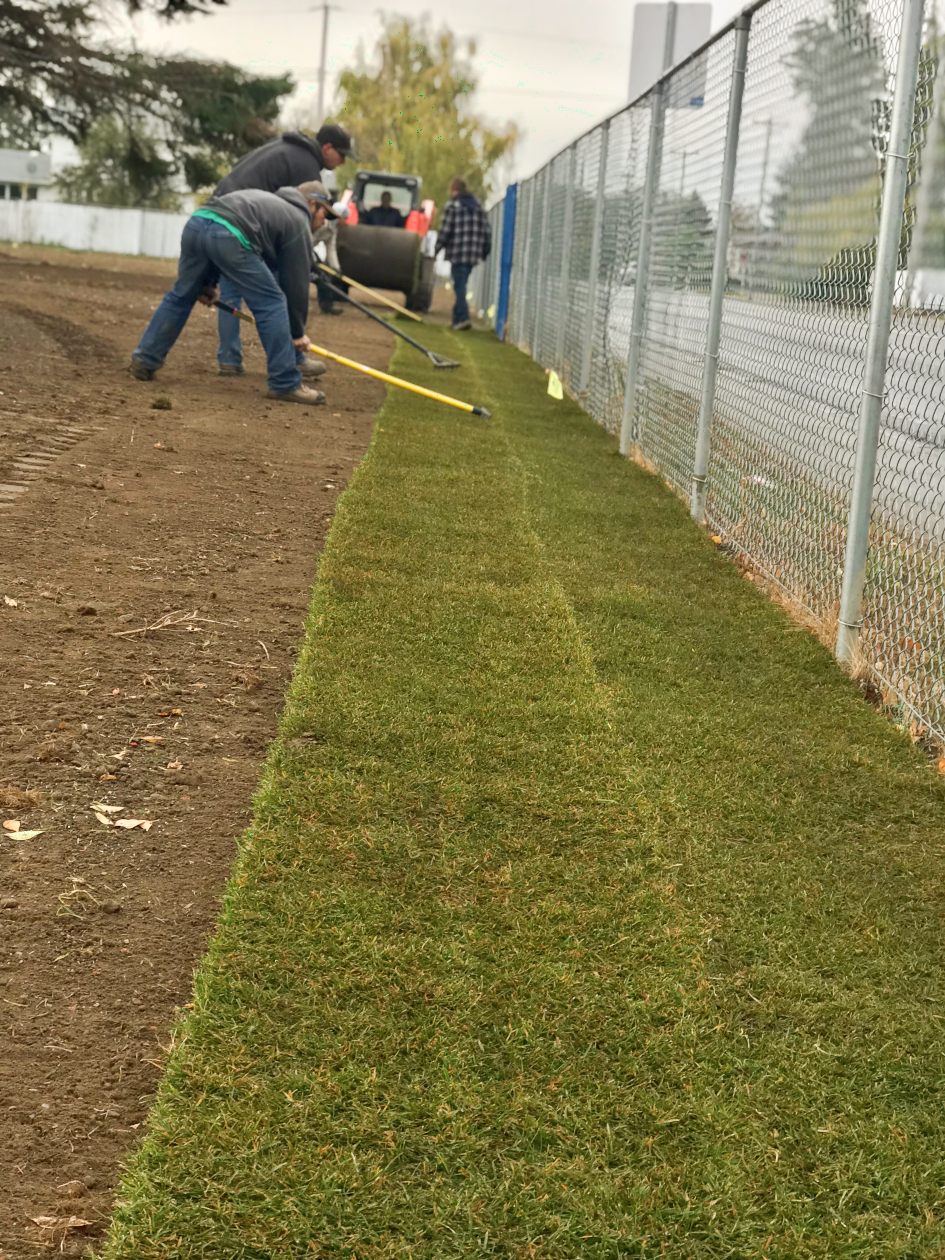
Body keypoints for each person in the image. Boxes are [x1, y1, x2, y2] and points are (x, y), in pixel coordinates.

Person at [130, 181, 338, 407]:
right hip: (228, 233)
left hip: (198, 222)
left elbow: (214, 230)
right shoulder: (298, 220)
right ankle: (285, 382)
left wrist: (206, 284)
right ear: (312, 204)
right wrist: (297, 333)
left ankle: (144, 360)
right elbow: (296, 285)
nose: (324, 221)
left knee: (181, 295)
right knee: (272, 302)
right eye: (324, 214)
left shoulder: (268, 201)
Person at [214, 123, 354, 371]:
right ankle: (293, 359)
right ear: (327, 147)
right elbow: (296, 226)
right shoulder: (306, 167)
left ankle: (229, 359)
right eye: (341, 155)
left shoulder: (286, 149)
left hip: (221, 211)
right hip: (244, 222)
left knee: (231, 292)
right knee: (281, 291)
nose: (342, 161)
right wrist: (307, 264)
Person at [435, 177, 491, 331]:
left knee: (459, 286)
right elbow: (486, 230)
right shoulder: (478, 206)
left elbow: (445, 231)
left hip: (458, 252)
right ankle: (457, 319)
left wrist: (437, 249)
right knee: (462, 284)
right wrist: (485, 250)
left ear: (454, 190)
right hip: (473, 253)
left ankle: (463, 318)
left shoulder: (453, 206)